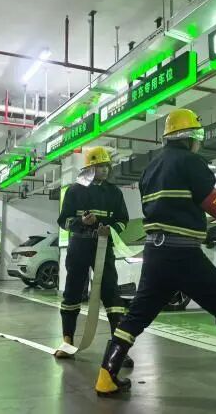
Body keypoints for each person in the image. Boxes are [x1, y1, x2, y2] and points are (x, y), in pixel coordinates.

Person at [94, 109, 216, 409]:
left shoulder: (150, 169)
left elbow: (170, 209)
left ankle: (106, 377)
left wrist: (195, 223)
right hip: (183, 255)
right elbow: (214, 202)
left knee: (136, 316)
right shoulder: (191, 162)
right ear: (191, 137)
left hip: (156, 253)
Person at [55, 146, 133, 368]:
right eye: (99, 166)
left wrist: (111, 230)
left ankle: (119, 349)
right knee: (73, 291)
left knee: (112, 294)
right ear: (89, 168)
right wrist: (81, 222)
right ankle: (67, 342)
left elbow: (123, 220)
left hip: (104, 247)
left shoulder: (114, 193)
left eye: (106, 166)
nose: (104, 170)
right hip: (79, 246)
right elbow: (63, 220)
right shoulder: (74, 191)